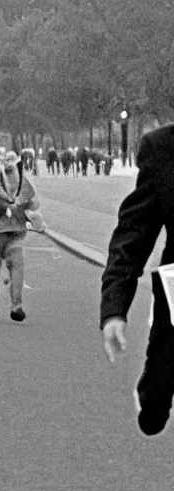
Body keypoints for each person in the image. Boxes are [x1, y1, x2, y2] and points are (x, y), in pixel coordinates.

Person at [101, 124, 174, 436]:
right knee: (155, 406)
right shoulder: (162, 147)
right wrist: (114, 310)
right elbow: (132, 236)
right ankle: (151, 392)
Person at [0, 150, 40, 321]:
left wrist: (23, 207)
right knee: (13, 267)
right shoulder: (20, 182)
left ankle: (5, 304)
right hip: (6, 231)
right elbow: (33, 202)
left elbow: (32, 203)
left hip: (1, 232)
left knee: (3, 268)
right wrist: (17, 206)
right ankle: (10, 304)